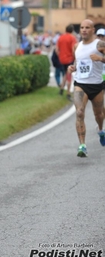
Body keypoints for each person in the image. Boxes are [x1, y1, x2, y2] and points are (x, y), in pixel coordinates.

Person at [68, 19, 105, 157]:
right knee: (79, 112)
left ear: (93, 30)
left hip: (96, 85)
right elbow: (77, 61)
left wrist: (100, 59)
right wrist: (72, 67)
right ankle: (82, 145)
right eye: (82, 27)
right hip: (80, 84)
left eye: (87, 27)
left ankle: (101, 130)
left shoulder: (100, 44)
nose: (84, 30)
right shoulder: (76, 46)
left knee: (99, 115)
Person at [56, 24, 77, 100]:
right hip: (69, 59)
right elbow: (73, 49)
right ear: (72, 30)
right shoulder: (72, 38)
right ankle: (68, 93)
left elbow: (56, 49)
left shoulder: (60, 37)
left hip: (62, 59)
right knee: (69, 76)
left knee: (66, 74)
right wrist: (75, 58)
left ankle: (61, 89)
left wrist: (60, 56)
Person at [91, 28, 105, 131]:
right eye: (98, 36)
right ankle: (101, 122)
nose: (100, 38)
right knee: (99, 105)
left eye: (102, 36)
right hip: (99, 78)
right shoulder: (93, 48)